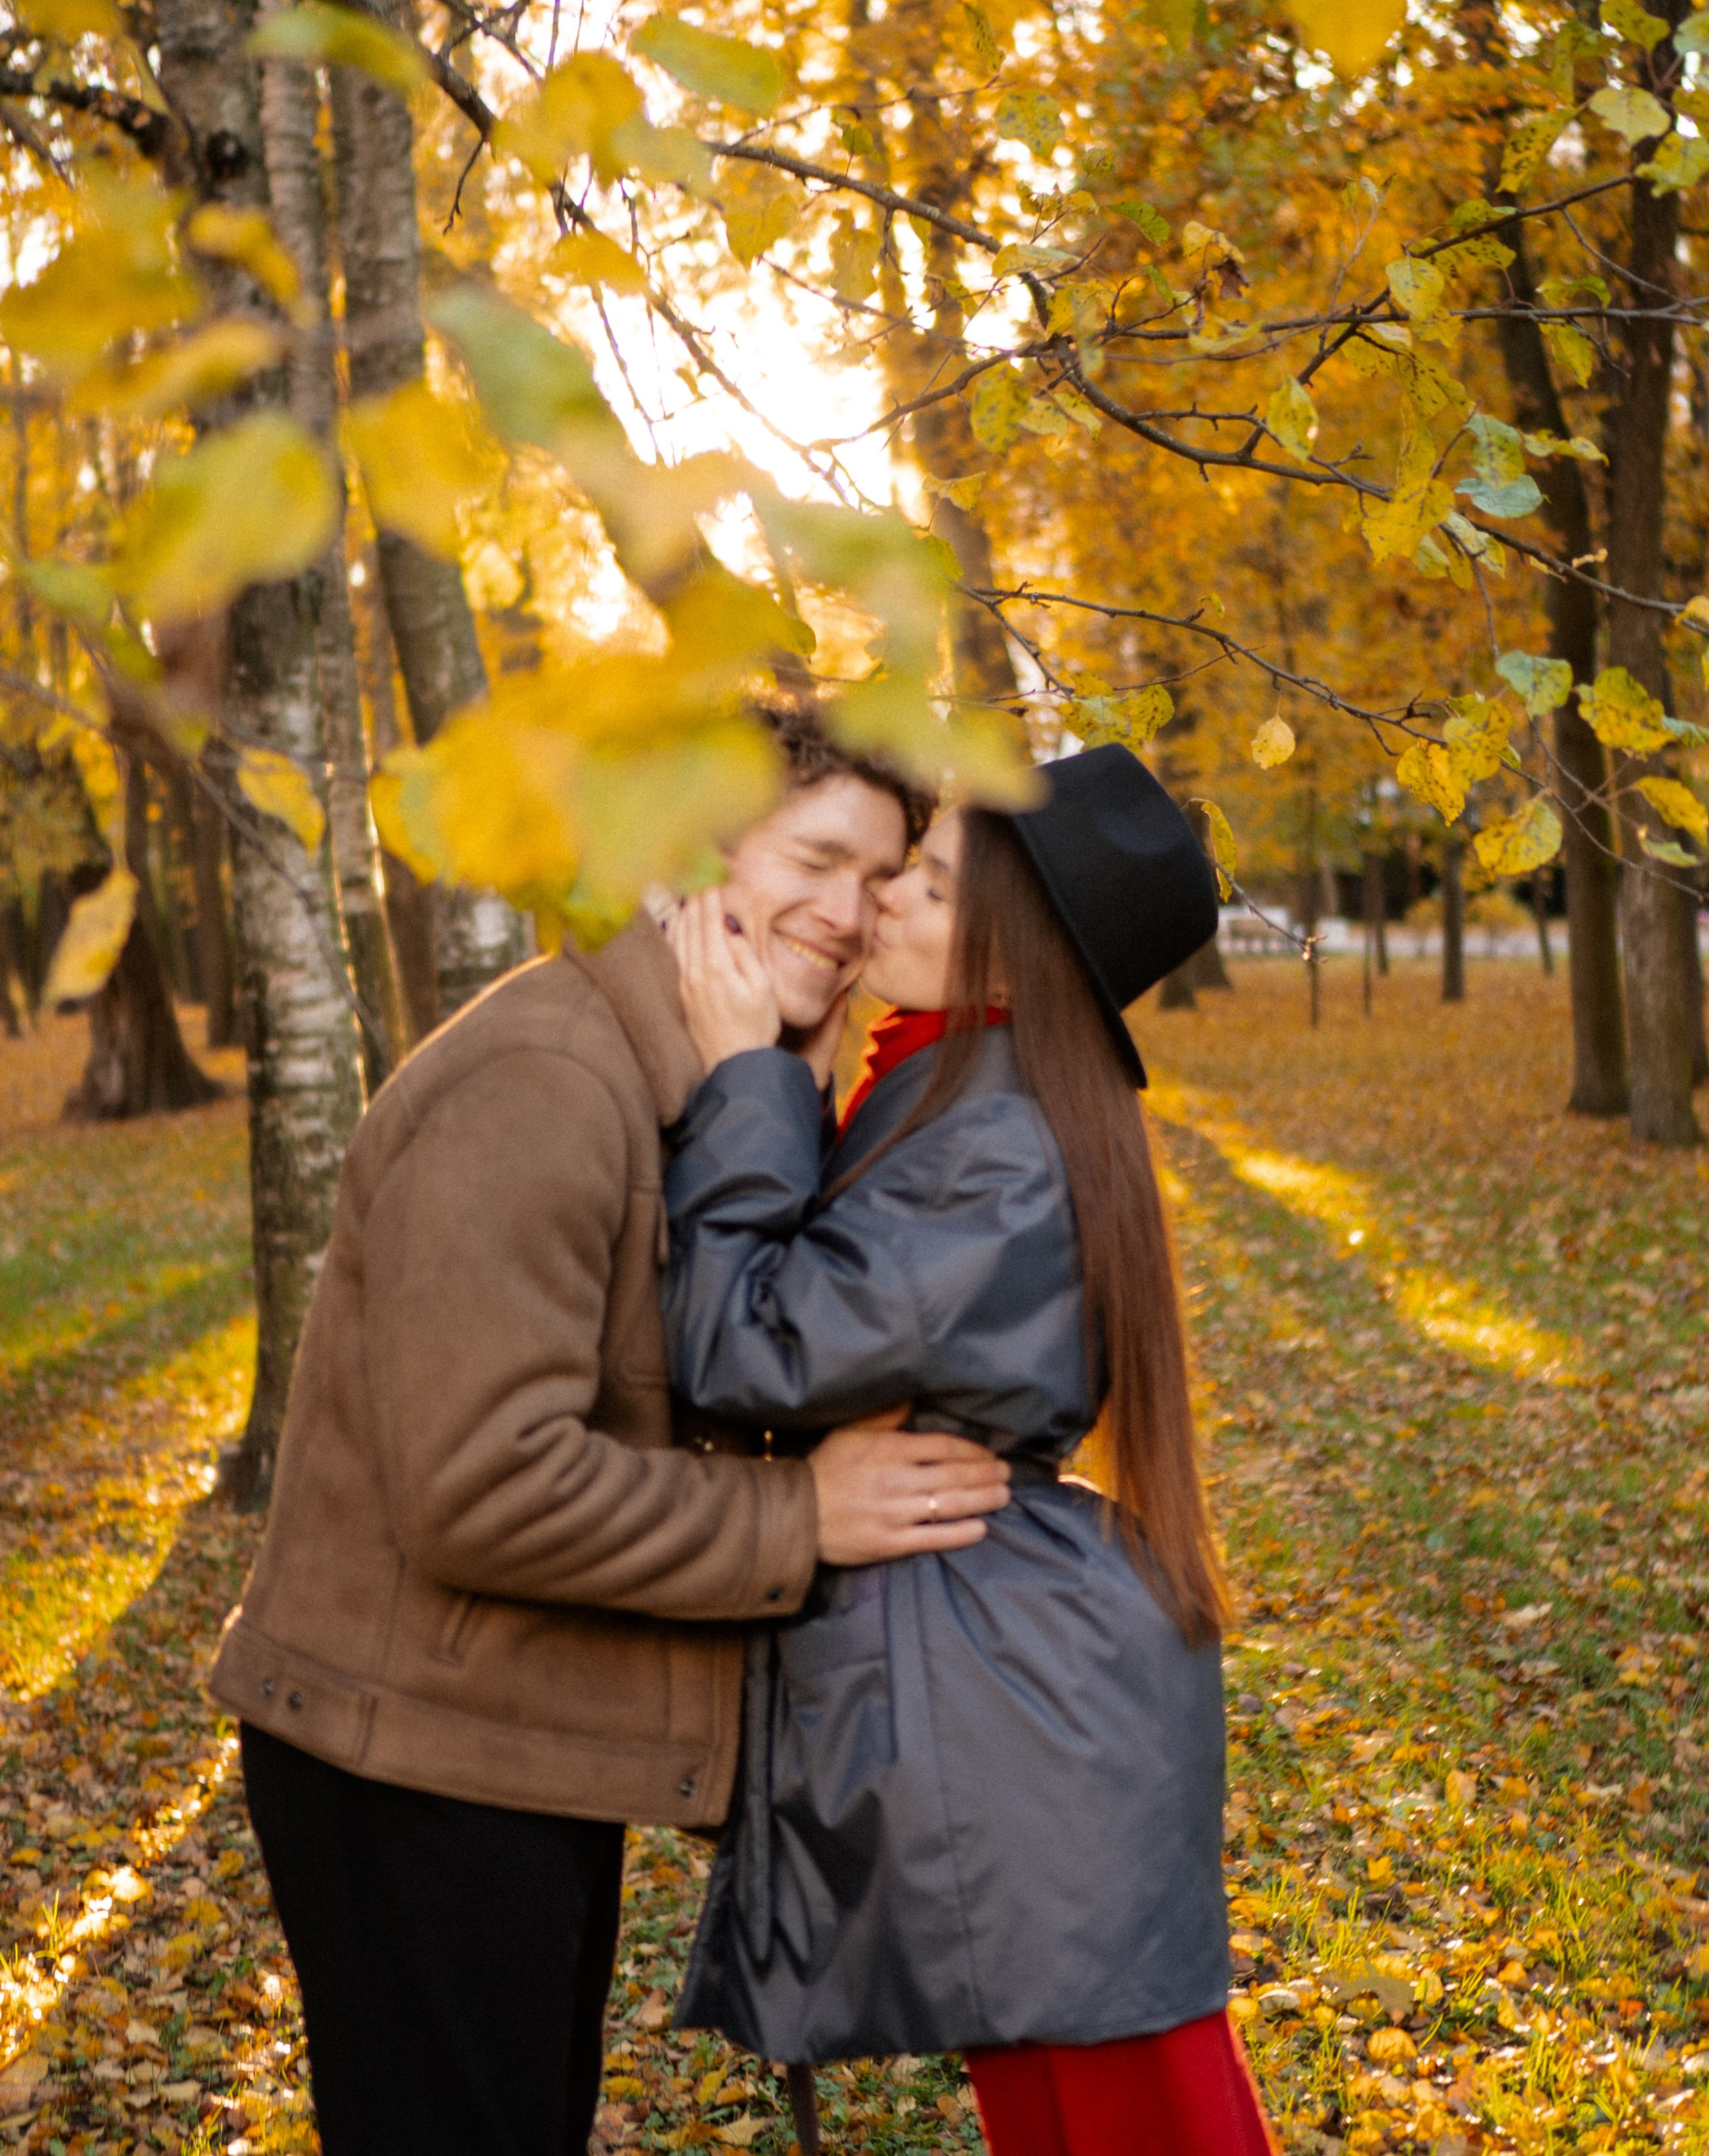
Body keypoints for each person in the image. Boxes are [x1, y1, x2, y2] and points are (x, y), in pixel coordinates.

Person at [209, 705, 1013, 2156]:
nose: (848, 913)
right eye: (815, 859)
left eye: (880, 877)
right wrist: (801, 1520)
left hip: (507, 1745)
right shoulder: (548, 1081)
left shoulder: (692, 1077)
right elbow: (485, 1486)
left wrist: (777, 1095)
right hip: (407, 1769)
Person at [662, 744, 1274, 2156]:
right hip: (1023, 1700)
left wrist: (746, 1080)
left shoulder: (986, 1131)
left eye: (928, 885)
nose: (881, 901)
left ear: (1011, 943)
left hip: (1029, 1719)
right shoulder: (958, 1088)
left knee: (1140, 2125)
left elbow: (751, 1343)